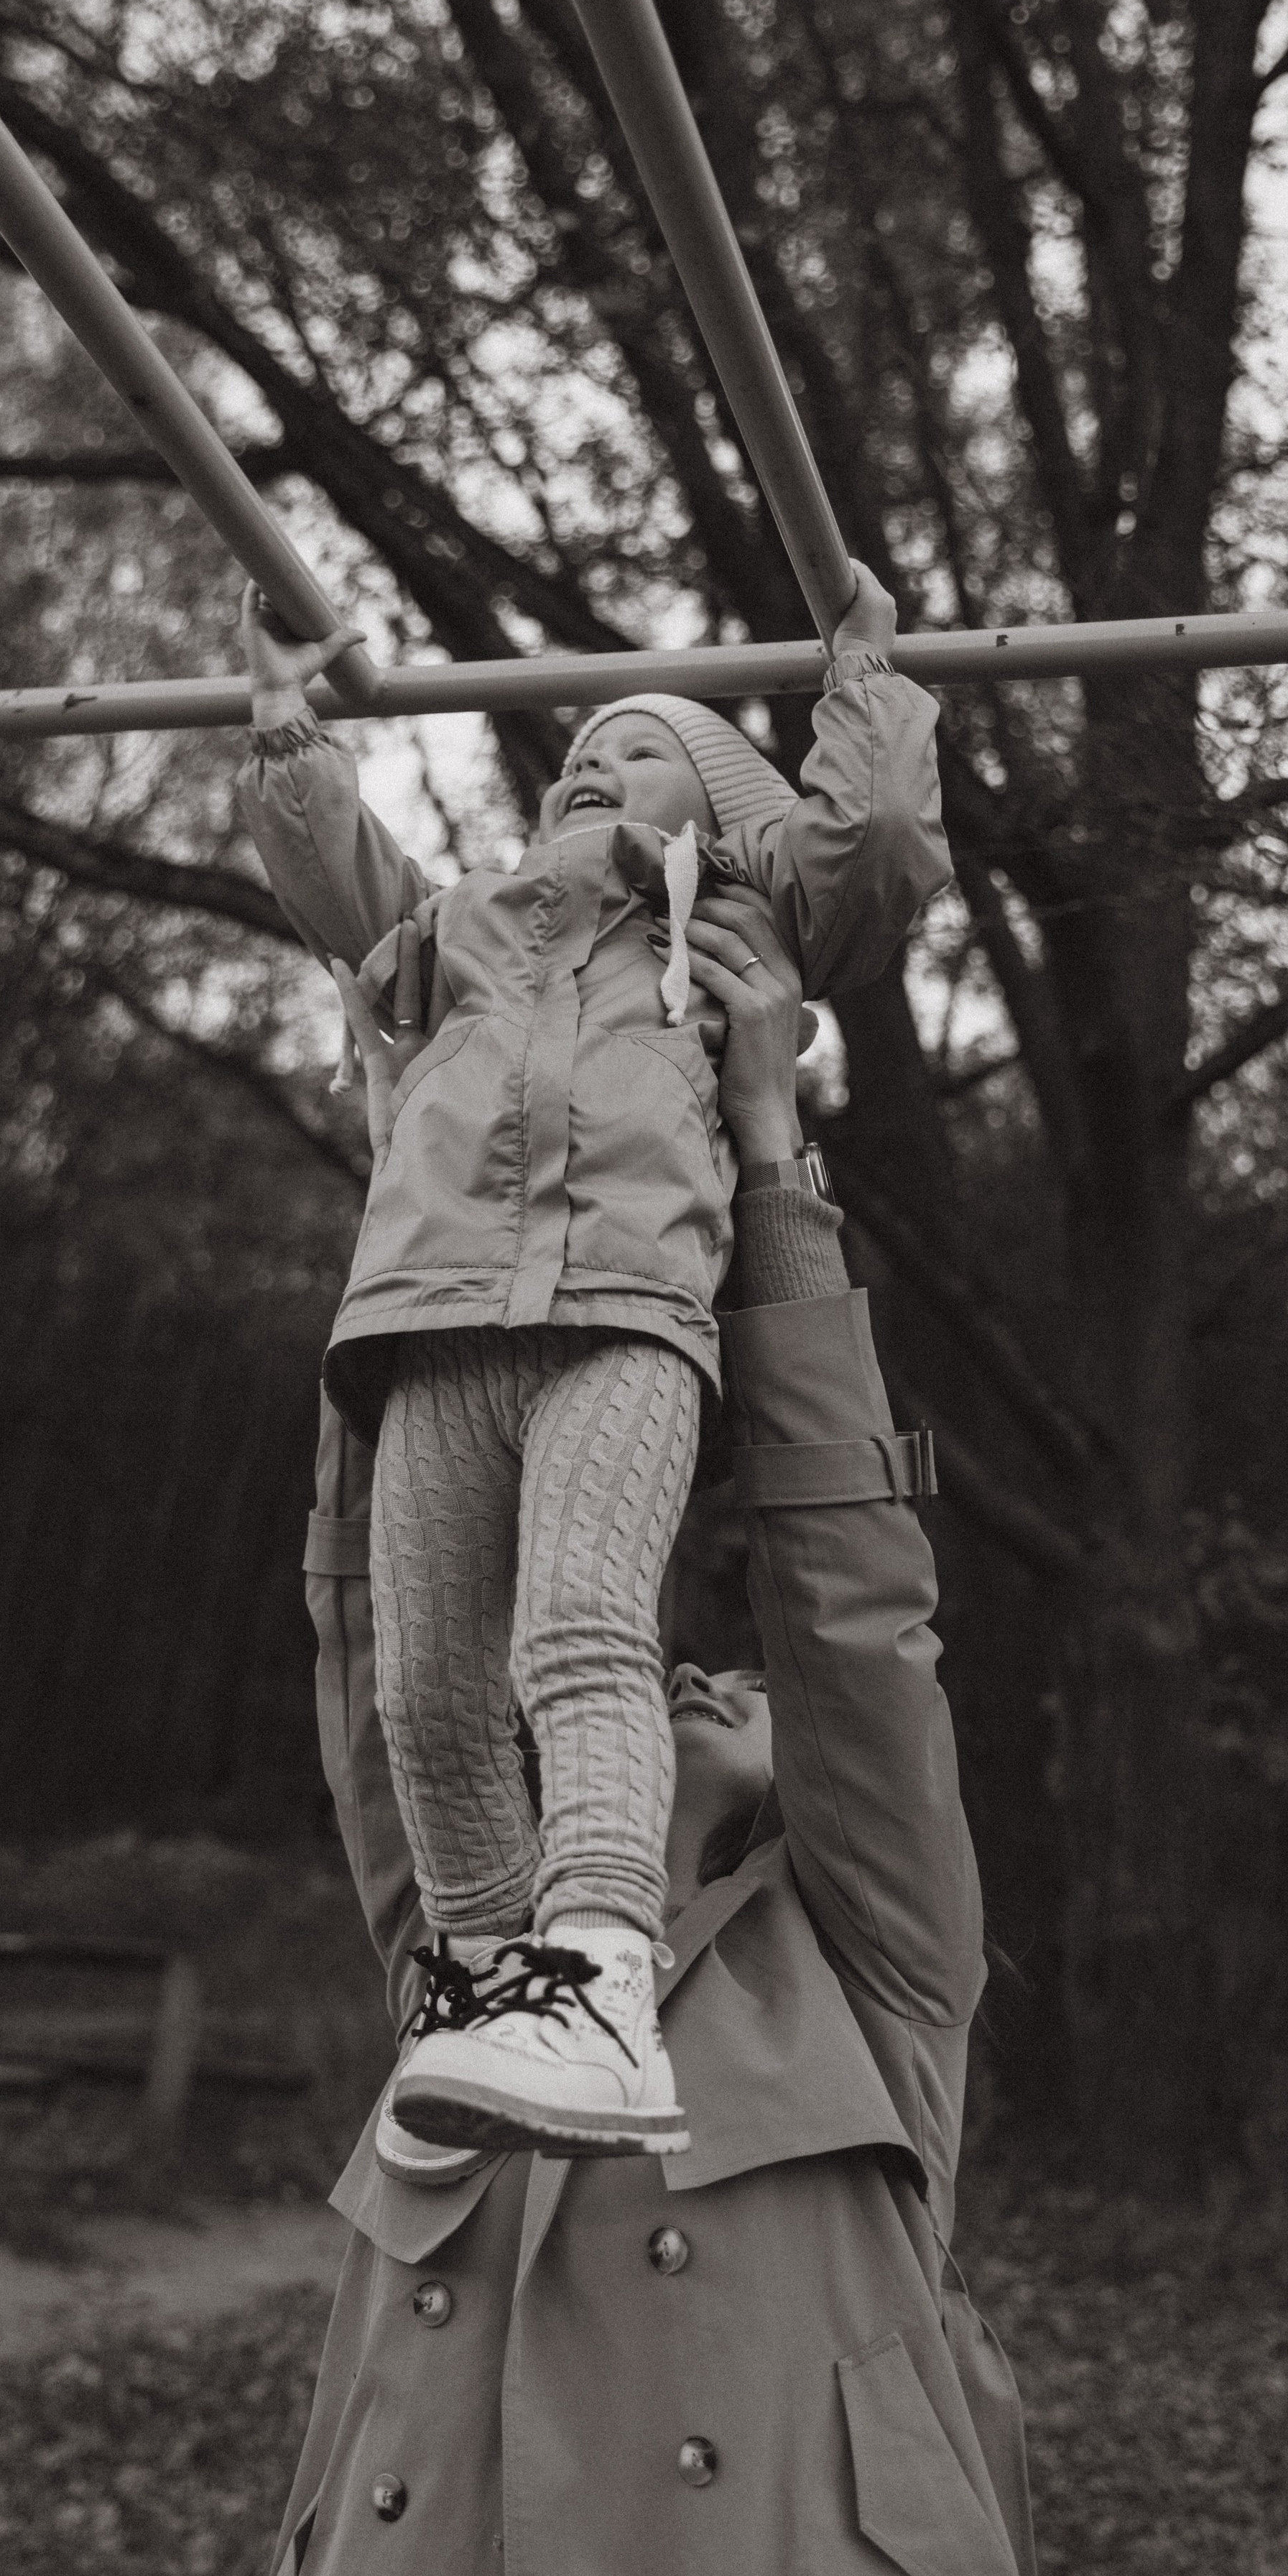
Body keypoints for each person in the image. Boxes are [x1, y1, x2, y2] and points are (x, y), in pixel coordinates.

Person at [268, 895, 1039, 2576]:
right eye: (671, 1664)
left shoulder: (870, 1964)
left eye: (731, 1676)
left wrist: (769, 1164)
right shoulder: (462, 1947)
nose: (694, 1667)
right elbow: (387, 1634)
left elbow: (848, 1614)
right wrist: (420, 1210)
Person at [238, 581, 948, 2156]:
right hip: (425, 1319)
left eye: (633, 756)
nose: (584, 771)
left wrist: (864, 682)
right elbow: (339, 879)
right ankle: (486, 1993)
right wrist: (293, 736)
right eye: (575, 756)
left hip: (626, 1308)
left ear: (724, 810)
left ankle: (599, 1979)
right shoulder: (464, 931)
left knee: (575, 1631)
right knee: (427, 1685)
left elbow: (879, 849)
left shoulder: (732, 931)